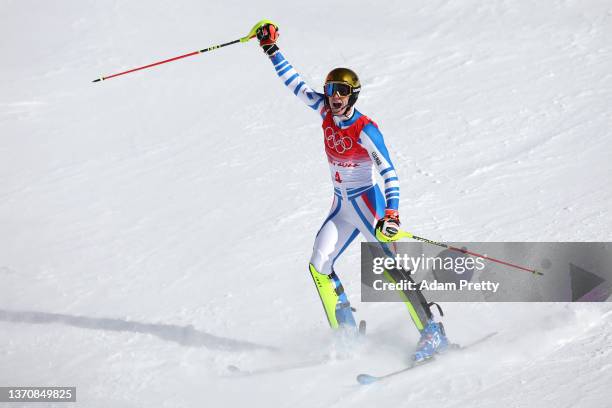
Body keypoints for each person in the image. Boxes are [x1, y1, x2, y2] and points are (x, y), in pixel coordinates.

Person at [255, 23, 449, 361]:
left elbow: (389, 173)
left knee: (390, 267)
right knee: (319, 263)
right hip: (341, 207)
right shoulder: (324, 112)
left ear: (353, 95)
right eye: (331, 89)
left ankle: (432, 331)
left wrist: (392, 214)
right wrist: (271, 48)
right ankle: (345, 331)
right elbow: (295, 83)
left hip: (367, 204)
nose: (335, 97)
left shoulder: (365, 129)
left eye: (342, 91)